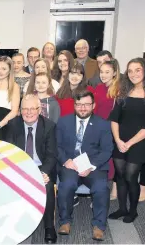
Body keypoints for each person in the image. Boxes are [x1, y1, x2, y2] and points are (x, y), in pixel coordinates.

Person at [56, 91, 113, 241]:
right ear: (74, 105)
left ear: (93, 105)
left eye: (86, 105)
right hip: (71, 163)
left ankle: (99, 226)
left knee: (101, 188)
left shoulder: (103, 124)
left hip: (94, 166)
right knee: (67, 184)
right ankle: (65, 221)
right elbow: (56, 146)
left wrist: (91, 166)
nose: (82, 108)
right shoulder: (63, 122)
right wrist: (66, 161)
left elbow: (107, 150)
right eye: (79, 104)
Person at [6, 94, 57, 244]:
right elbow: (9, 152)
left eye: (32, 109)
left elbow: (51, 155)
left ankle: (49, 227)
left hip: (41, 166)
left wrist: (44, 172)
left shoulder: (49, 126)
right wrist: (21, 171)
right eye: (25, 109)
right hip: (20, 165)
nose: (28, 112)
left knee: (47, 187)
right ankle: (11, 223)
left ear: (39, 109)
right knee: (7, 182)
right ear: (20, 110)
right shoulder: (13, 124)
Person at [108, 58, 145, 223]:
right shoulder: (123, 92)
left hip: (138, 143)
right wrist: (117, 140)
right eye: (130, 71)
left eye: (138, 70)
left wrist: (129, 143)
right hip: (120, 141)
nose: (133, 74)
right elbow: (114, 119)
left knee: (131, 176)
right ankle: (122, 208)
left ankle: (133, 211)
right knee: (120, 175)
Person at [94, 59, 121, 192]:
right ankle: (99, 187)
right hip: (97, 127)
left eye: (107, 72)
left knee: (112, 159)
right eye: (101, 72)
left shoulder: (118, 90)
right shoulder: (99, 87)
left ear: (114, 73)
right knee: (100, 157)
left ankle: (113, 189)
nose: (103, 75)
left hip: (111, 129)